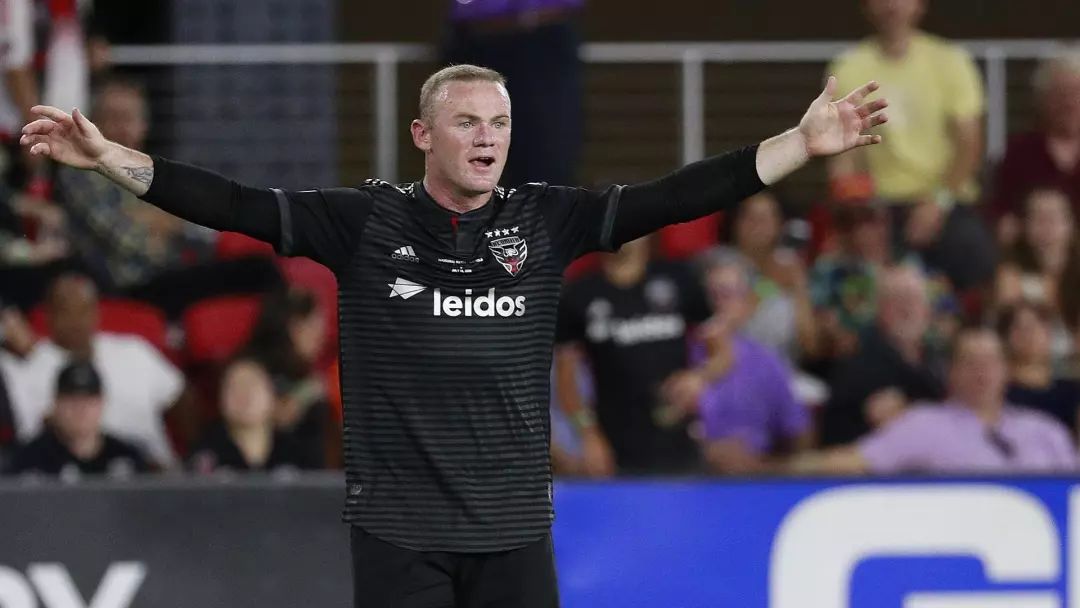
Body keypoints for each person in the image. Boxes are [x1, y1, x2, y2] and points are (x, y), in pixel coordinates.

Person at [20, 63, 888, 607]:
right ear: (423, 135)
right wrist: (109, 161)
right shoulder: (363, 221)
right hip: (399, 530)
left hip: (514, 530)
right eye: (468, 121)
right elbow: (233, 204)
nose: (487, 138)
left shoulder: (545, 219)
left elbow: (677, 195)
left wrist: (799, 144)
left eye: (500, 123)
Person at [793, 327, 1079, 474]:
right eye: (970, 362)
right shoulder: (924, 424)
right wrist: (776, 470)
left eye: (991, 362)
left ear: (1006, 370)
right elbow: (854, 461)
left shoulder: (1044, 430)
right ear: (951, 372)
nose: (982, 372)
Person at [553, 235, 710, 476]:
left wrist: (699, 376)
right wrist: (588, 434)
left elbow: (722, 350)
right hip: (616, 442)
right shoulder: (579, 294)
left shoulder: (679, 278)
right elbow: (566, 379)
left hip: (681, 435)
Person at [0, 273, 188, 468]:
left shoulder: (133, 351)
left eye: (83, 310)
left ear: (96, 312)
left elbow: (180, 397)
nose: (76, 321)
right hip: (67, 474)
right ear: (48, 315)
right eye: (66, 312)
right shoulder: (28, 366)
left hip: (151, 469)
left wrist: (193, 454)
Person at [662, 249, 811, 475]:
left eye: (728, 294)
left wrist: (765, 465)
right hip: (684, 474)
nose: (718, 304)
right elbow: (658, 420)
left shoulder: (766, 361)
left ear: (747, 303)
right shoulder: (674, 352)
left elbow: (798, 432)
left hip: (754, 478)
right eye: (710, 294)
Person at [827, 0, 984, 210]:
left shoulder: (951, 60)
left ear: (920, 5)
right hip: (876, 204)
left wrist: (939, 201)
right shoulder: (848, 67)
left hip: (947, 200)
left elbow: (969, 143)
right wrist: (851, 205)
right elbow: (844, 155)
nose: (892, 5)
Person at [819, 265, 946, 445]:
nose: (906, 308)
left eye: (913, 299)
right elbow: (834, 436)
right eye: (897, 300)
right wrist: (869, 421)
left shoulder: (941, 360)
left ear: (927, 310)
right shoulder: (856, 365)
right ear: (880, 310)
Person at [986, 47, 1080, 244]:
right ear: (1043, 100)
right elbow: (999, 209)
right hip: (1034, 252)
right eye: (1060, 94)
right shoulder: (1020, 151)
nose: (1070, 103)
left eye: (1076, 92)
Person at [5, 360, 149, 479]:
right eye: (71, 400)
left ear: (102, 404)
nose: (80, 409)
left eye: (89, 400)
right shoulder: (29, 459)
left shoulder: (127, 456)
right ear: (56, 404)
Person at [241, 288, 336, 469]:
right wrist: (308, 392)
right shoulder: (250, 371)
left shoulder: (306, 372)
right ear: (295, 328)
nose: (322, 336)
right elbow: (280, 416)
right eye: (315, 326)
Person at [188, 357, 316, 474]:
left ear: (272, 395)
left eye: (252, 385)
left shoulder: (298, 453)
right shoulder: (204, 456)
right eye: (234, 386)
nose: (244, 394)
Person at [998, 301, 1080, 437]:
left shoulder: (1071, 389)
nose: (1030, 334)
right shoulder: (998, 391)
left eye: (1039, 326)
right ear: (1006, 337)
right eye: (1020, 328)